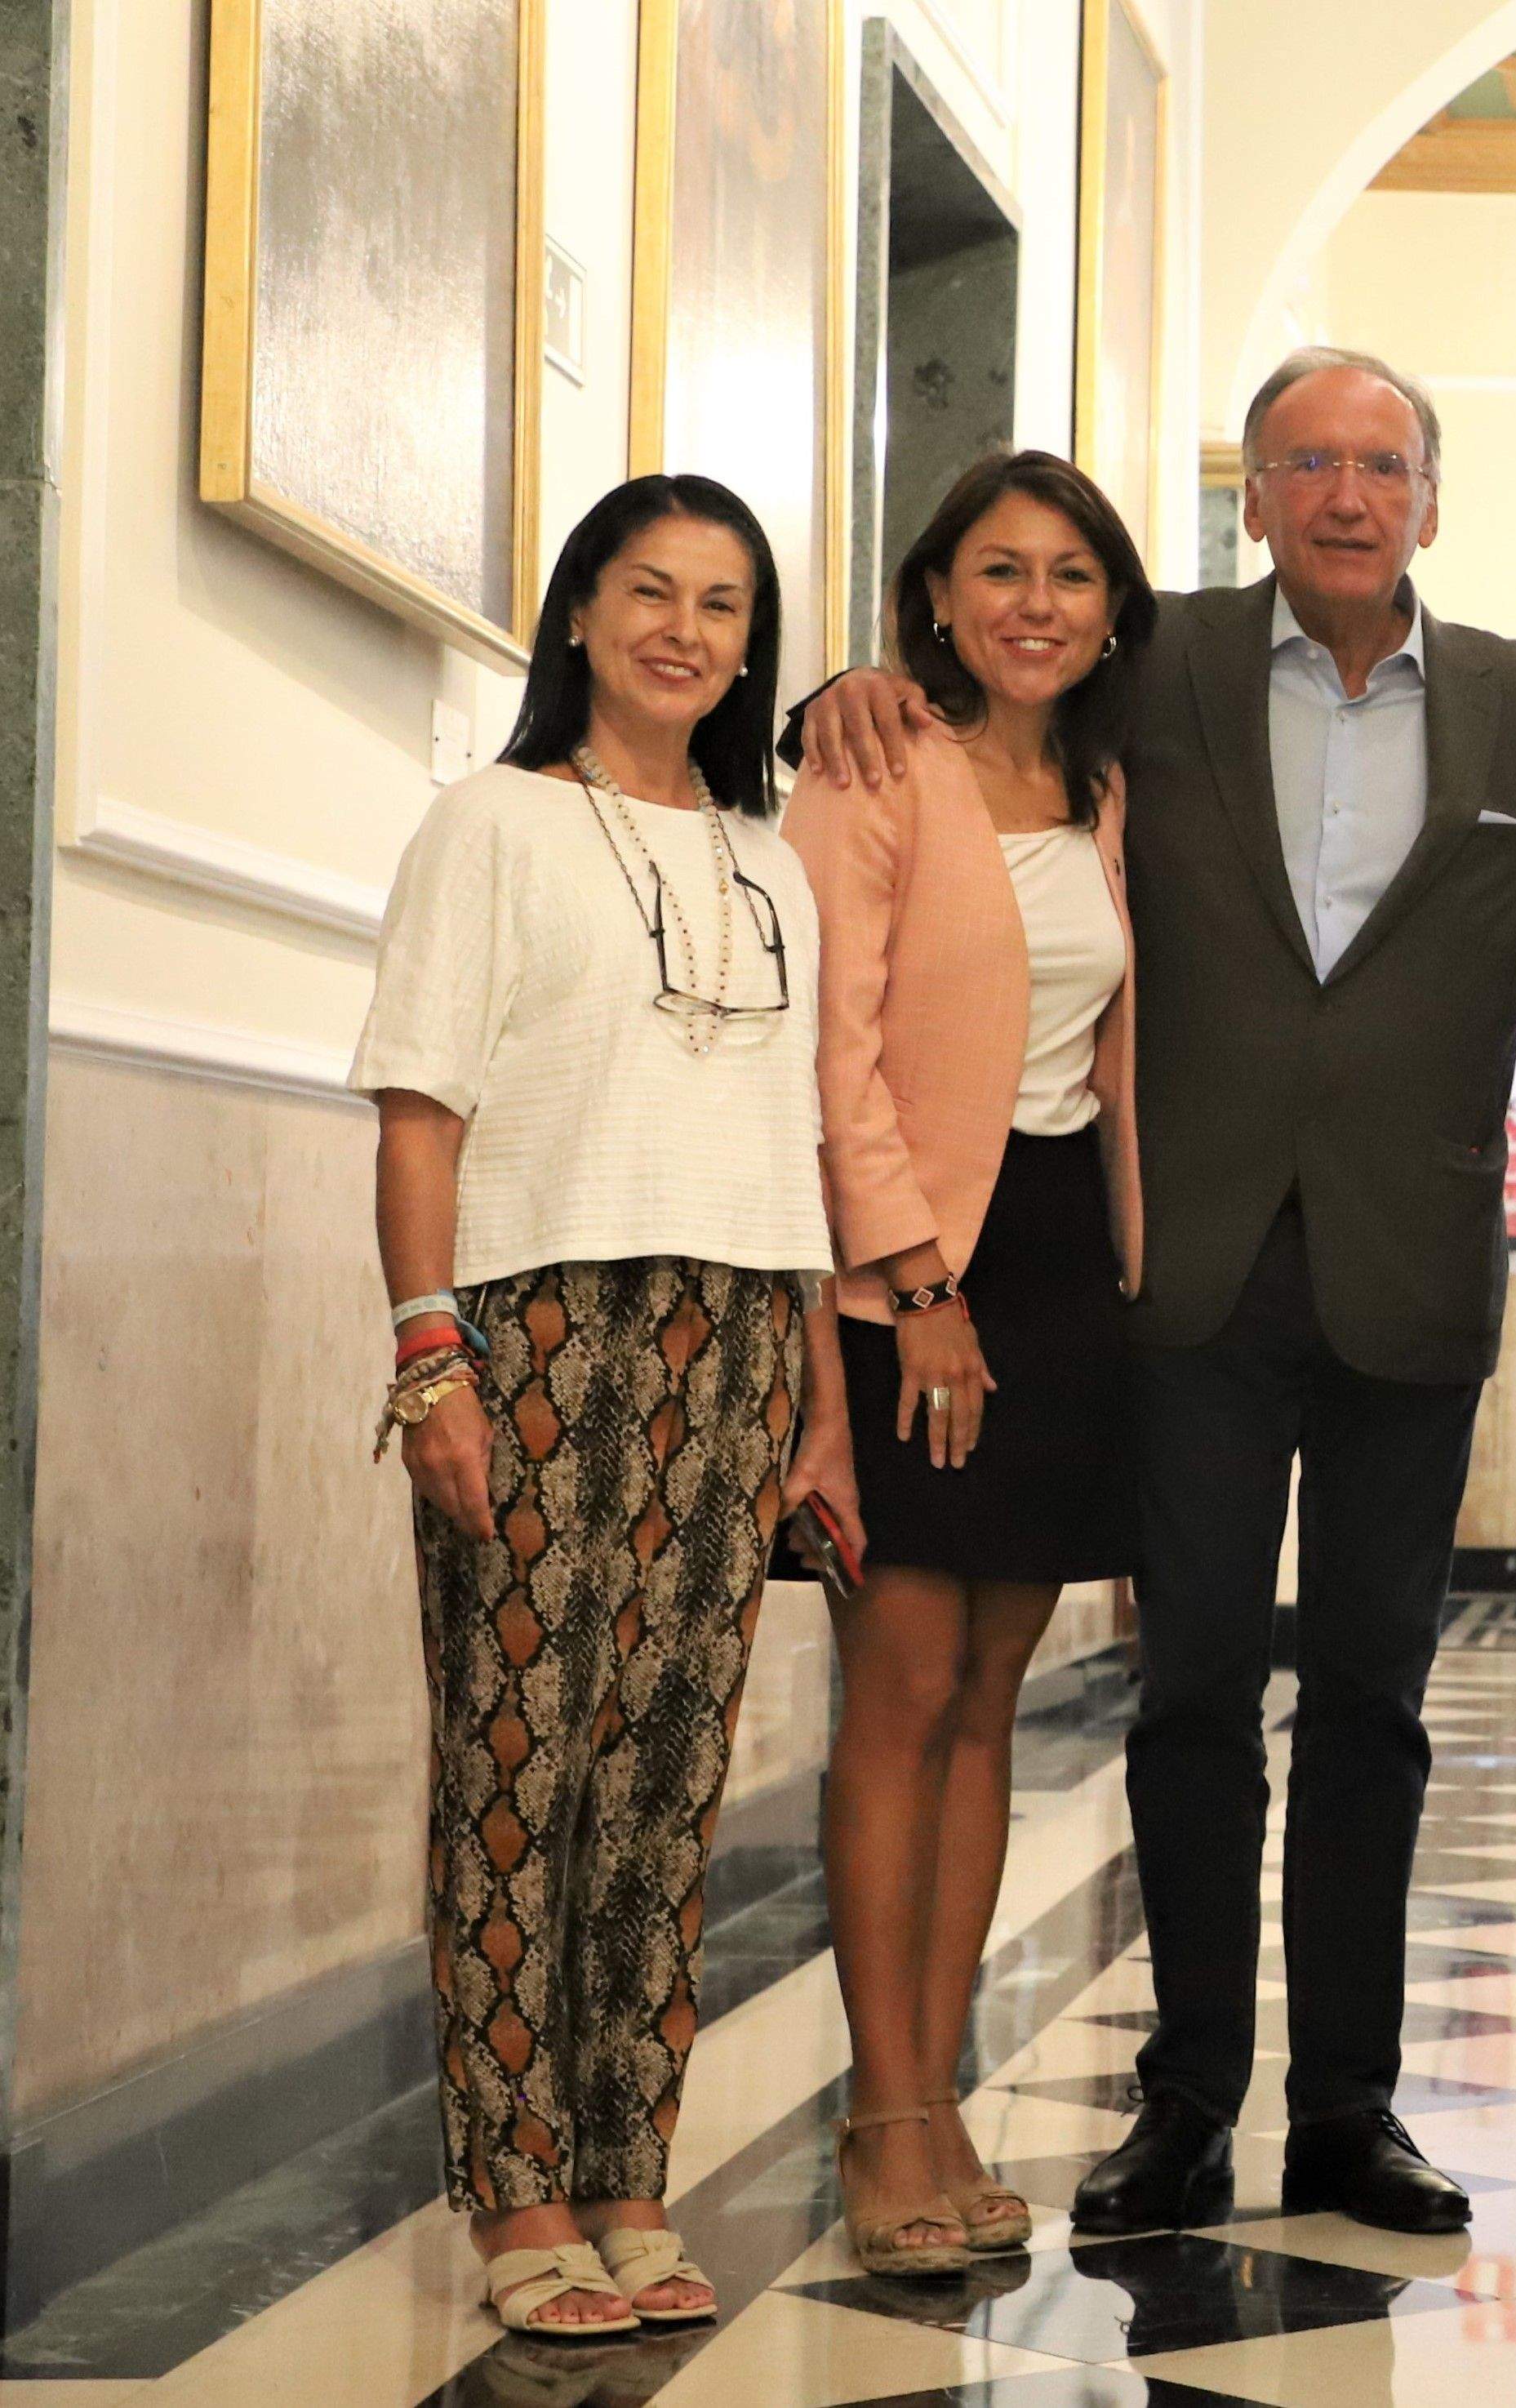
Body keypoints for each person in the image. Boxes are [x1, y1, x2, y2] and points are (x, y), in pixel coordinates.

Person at [795, 349, 1516, 2240]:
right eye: (1308, 464)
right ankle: (1188, 2096)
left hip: (1409, 1271)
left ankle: (1349, 2104)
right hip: (1181, 1270)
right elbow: (984, 701)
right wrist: (852, 685)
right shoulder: (1155, 663)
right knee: (1192, 1694)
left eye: (1382, 465)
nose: (1347, 495)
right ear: (1255, 495)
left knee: (1373, 1702)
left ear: (1431, 497)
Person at [357, 475, 854, 2336]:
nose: (684, 631)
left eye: (722, 604)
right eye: (650, 591)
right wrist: (431, 1357)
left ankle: (630, 2170)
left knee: (666, 1777)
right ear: (579, 611)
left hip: (740, 1339)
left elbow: (795, 1149)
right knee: (517, 1769)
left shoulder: (770, 860)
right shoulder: (489, 823)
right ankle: (517, 2191)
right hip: (538, 1326)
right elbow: (420, 1106)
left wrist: (818, 1408)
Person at [789, 450, 1156, 2276]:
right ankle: (881, 2115)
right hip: (917, 1271)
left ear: (1111, 611)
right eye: (1000, 569)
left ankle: (937, 2095)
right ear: (936, 593)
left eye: (1071, 574)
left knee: (993, 1691)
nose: (1036, 603)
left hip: (1068, 1260)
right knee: (904, 1683)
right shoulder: (871, 764)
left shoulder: (1104, 784)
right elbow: (827, 1044)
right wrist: (917, 1276)